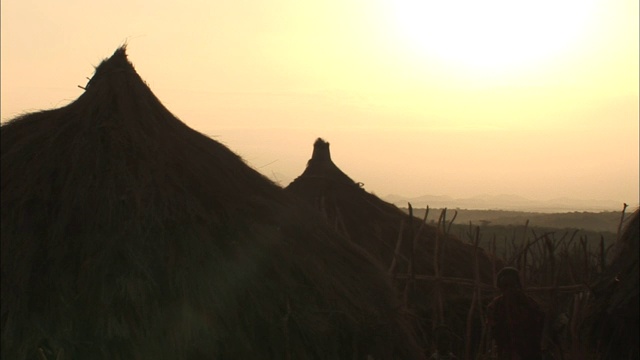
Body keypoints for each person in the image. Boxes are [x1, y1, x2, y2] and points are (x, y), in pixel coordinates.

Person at [487, 267, 544, 360]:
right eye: (505, 286)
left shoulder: (529, 304)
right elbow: (493, 329)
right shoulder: (495, 306)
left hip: (529, 350)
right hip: (507, 350)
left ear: (518, 285)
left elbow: (539, 324)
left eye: (512, 285)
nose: (509, 290)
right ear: (500, 288)